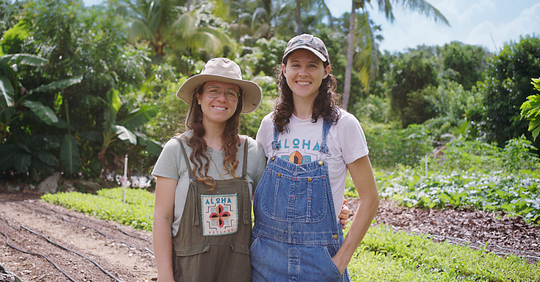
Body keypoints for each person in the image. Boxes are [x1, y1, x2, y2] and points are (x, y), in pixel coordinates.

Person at [251, 34, 380, 281]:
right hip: (266, 260)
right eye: (296, 65)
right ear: (284, 70)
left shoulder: (344, 125)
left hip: (321, 262)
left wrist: (340, 262)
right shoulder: (269, 125)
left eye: (312, 65)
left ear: (325, 71)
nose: (303, 73)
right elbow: (259, 190)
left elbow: (370, 198)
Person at [152, 58, 267, 282]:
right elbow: (162, 218)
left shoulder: (252, 152)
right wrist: (165, 277)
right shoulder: (176, 150)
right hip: (188, 273)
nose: (221, 99)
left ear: (238, 102)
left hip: (238, 274)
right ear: (199, 96)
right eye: (213, 90)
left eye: (230, 93)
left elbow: (269, 214)